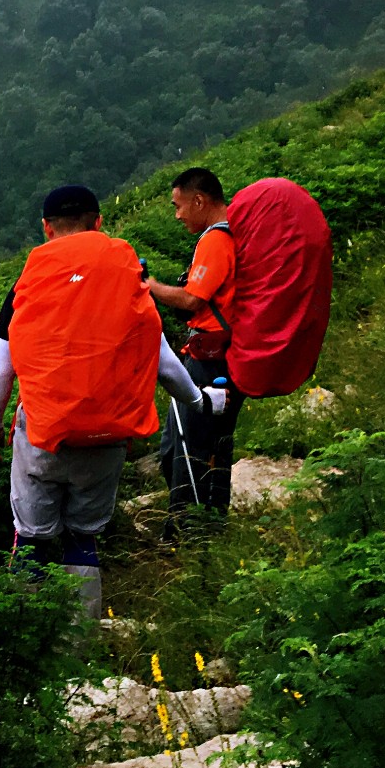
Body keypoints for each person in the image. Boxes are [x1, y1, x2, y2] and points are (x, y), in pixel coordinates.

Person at [0, 186, 225, 621]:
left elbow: (3, 366)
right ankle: (79, 647)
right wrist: (199, 400)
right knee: (81, 539)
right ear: (98, 222)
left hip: (43, 436)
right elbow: (164, 361)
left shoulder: (28, 281)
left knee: (31, 537)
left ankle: (24, 640)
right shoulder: (125, 275)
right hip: (108, 438)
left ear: (46, 228)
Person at [145, 167, 243, 519]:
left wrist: (149, 286)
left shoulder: (216, 239)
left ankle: (192, 526)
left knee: (190, 447)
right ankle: (203, 519)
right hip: (219, 354)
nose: (178, 214)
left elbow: (192, 300)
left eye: (179, 205)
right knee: (192, 442)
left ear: (199, 200)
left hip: (210, 360)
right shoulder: (232, 233)